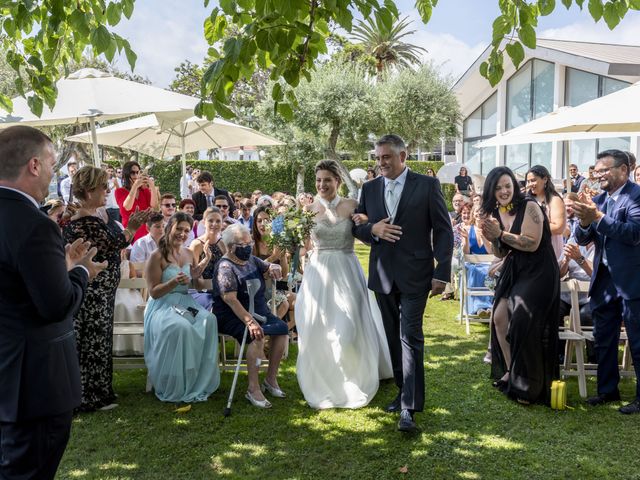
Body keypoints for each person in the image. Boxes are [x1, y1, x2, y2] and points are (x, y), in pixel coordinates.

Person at [0, 125, 106, 480]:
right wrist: (81, 274)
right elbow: (57, 306)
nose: (53, 172)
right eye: (50, 163)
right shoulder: (34, 224)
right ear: (33, 165)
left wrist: (59, 264)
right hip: (35, 385)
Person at [353, 134, 453, 432]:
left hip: (417, 275)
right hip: (382, 275)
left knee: (410, 336)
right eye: (378, 157)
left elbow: (444, 230)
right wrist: (374, 229)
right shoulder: (369, 189)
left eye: (386, 157)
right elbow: (356, 228)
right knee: (392, 336)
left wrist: (442, 271)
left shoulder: (427, 185)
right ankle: (401, 390)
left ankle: (409, 407)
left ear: (403, 156)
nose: (381, 162)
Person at [296, 160, 392, 409]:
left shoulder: (352, 205)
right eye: (318, 180)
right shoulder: (308, 210)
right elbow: (305, 247)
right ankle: (327, 375)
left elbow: (366, 232)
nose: (322, 185)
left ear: (337, 181)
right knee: (321, 326)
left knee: (349, 326)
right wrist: (289, 237)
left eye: (327, 179)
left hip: (347, 270)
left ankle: (353, 375)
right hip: (318, 273)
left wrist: (366, 222)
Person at [63, 166, 148, 412]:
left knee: (100, 339)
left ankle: (101, 391)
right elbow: (111, 244)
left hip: (103, 290)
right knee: (92, 341)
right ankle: (89, 397)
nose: (107, 190)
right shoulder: (83, 220)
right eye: (103, 186)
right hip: (92, 292)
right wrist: (131, 227)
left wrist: (128, 227)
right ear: (89, 191)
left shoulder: (96, 214)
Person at [477, 166, 560, 406]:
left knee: (522, 319)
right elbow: (501, 251)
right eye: (498, 187)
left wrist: (500, 233)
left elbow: (531, 244)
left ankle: (529, 386)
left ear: (514, 185)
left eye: (507, 185)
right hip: (516, 270)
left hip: (540, 271)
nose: (504, 191)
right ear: (491, 191)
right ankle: (512, 371)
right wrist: (493, 237)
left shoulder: (530, 206)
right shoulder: (495, 211)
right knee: (500, 317)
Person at [573, 149, 640, 414]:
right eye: (597, 170)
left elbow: (633, 233)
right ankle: (607, 391)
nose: (598, 175)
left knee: (637, 341)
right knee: (604, 338)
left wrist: (598, 218)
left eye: (604, 170)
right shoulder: (597, 199)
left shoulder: (635, 196)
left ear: (623, 170)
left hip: (631, 280)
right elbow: (581, 238)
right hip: (603, 281)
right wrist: (584, 219)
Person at [144, 212, 220, 403]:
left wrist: (202, 267)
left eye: (187, 230)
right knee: (181, 327)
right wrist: (172, 282)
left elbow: (198, 285)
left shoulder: (188, 253)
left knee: (209, 320)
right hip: (163, 305)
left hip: (186, 303)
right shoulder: (157, 255)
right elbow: (153, 292)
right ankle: (177, 381)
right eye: (179, 228)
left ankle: (198, 379)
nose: (183, 233)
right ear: (170, 227)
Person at [212, 224, 288, 409]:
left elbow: (266, 267)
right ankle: (253, 389)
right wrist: (250, 321)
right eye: (242, 244)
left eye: (249, 242)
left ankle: (270, 379)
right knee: (257, 336)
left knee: (282, 329)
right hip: (233, 316)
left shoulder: (251, 260)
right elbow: (230, 299)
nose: (248, 246)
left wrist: (273, 267)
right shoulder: (225, 267)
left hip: (260, 312)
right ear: (230, 247)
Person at [189, 207, 226, 310]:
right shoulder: (196, 244)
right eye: (211, 220)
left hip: (221, 290)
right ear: (204, 222)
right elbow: (195, 278)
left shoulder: (223, 244)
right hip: (200, 292)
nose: (214, 224)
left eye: (218, 221)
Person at [526, 165, 566, 260]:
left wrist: (530, 226)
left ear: (545, 179)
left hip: (549, 252)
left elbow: (558, 228)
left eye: (533, 180)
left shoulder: (554, 200)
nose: (530, 184)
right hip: (530, 252)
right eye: (528, 181)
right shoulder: (527, 200)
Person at [114, 160, 158, 242]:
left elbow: (154, 205)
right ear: (126, 174)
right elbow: (127, 207)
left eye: (137, 172)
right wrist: (135, 186)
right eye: (132, 173)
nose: (136, 175)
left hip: (146, 231)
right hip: (130, 232)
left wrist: (152, 186)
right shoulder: (120, 191)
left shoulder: (144, 191)